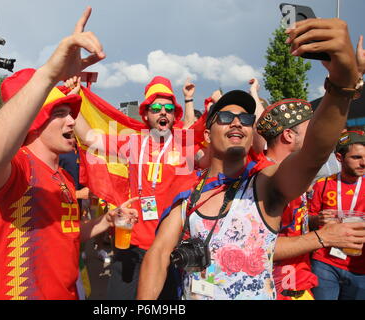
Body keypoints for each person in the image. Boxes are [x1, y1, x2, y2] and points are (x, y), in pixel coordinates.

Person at [137, 17, 363, 300]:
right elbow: (157, 256)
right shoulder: (188, 197)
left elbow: (314, 152)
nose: (237, 122)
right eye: (226, 117)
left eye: (245, 118)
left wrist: (342, 84)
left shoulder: (266, 185)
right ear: (207, 134)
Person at [0, 7, 137, 300]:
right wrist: (48, 73)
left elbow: (67, 233)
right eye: (59, 113)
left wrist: (107, 221)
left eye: (70, 112)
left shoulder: (62, 176)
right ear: (34, 120)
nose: (72, 120)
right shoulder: (20, 168)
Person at [73, 73, 200, 299]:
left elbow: (207, 145)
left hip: (168, 248)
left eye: (169, 108)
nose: (163, 112)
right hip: (131, 243)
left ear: (174, 115)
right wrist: (75, 99)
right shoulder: (134, 142)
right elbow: (91, 138)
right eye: (156, 108)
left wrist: (191, 101)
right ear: (146, 113)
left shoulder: (184, 144)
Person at [256, 100, 365, 300]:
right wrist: (325, 237)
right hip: (275, 288)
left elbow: (294, 225)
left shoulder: (293, 176)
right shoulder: (263, 178)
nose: (317, 135)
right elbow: (258, 246)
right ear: (289, 135)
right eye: (311, 128)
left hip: (300, 281)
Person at [309, 130, 365, 300]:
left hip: (360, 266)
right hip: (325, 261)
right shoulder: (323, 184)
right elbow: (307, 220)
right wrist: (316, 219)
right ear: (339, 158)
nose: (363, 163)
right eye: (356, 157)